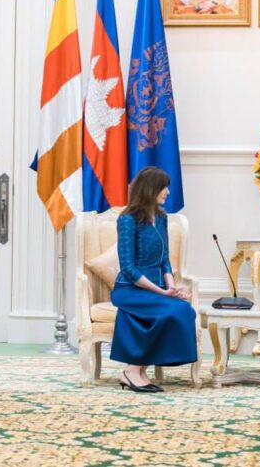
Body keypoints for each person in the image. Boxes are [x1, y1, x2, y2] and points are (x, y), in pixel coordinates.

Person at [110, 166, 197, 393]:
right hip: (129, 289)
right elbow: (128, 268)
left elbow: (165, 259)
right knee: (175, 310)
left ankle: (136, 370)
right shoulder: (127, 220)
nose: (168, 192)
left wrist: (171, 287)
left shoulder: (161, 218)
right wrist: (162, 293)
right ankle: (132, 370)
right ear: (151, 189)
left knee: (184, 310)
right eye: (164, 187)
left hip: (156, 288)